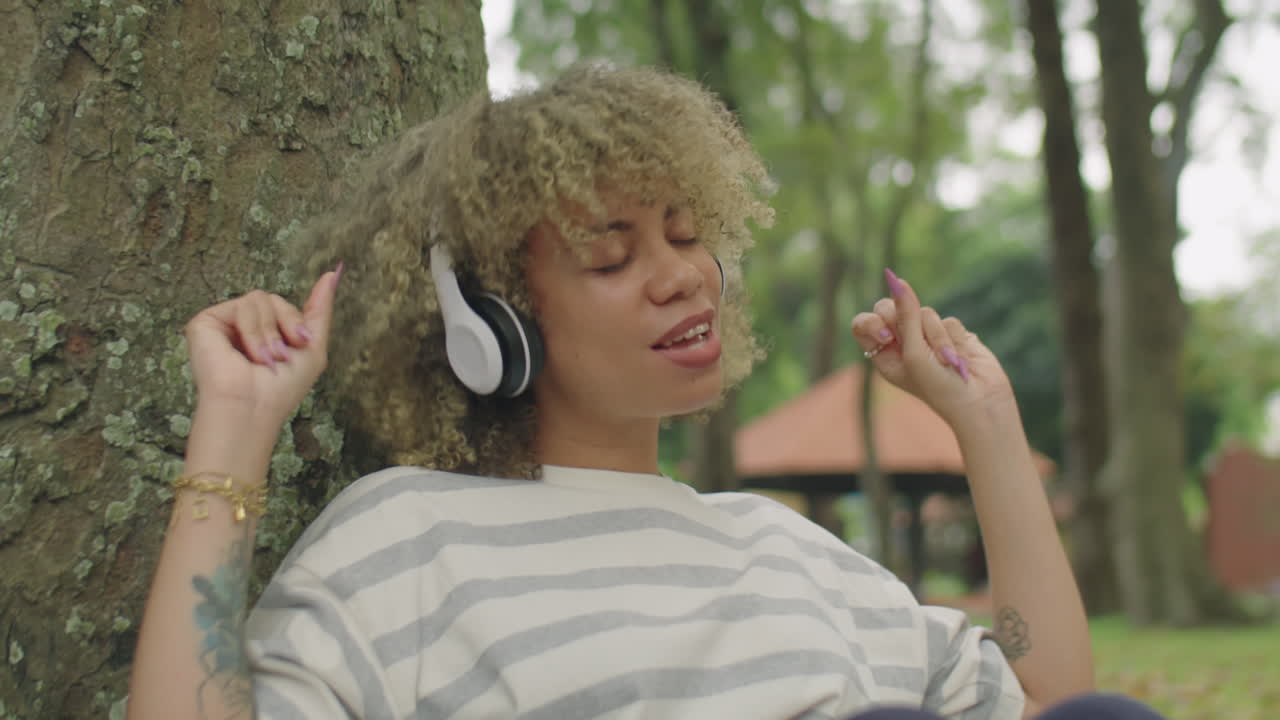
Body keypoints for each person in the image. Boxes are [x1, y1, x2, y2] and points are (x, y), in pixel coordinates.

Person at [127, 63, 1164, 720]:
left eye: (684, 233)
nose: (681, 274)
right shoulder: (407, 539)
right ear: (493, 324)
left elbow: (1047, 699)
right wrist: (232, 438)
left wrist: (983, 421)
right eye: (609, 254)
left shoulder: (789, 549)